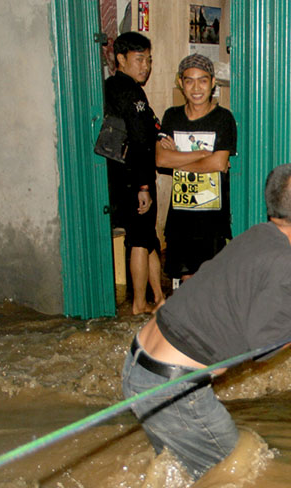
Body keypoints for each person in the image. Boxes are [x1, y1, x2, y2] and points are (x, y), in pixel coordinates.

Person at [121, 163, 291, 479]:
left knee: (182, 476)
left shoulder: (259, 236)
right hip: (173, 387)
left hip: (139, 366)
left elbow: (285, 277)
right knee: (241, 474)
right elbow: (266, 343)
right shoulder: (286, 263)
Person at [156, 54, 238, 283]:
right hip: (180, 216)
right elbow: (161, 159)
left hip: (212, 216)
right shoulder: (172, 116)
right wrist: (201, 155)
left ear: (213, 83)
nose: (196, 87)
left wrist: (178, 158)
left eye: (202, 80)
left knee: (210, 280)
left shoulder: (223, 118)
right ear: (180, 83)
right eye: (189, 80)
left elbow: (218, 163)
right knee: (186, 281)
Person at [104, 31, 164, 315]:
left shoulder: (113, 87)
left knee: (149, 237)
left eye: (148, 60)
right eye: (139, 59)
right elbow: (140, 140)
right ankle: (139, 304)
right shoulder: (128, 90)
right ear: (120, 59)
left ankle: (159, 297)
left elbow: (149, 125)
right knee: (140, 239)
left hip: (125, 175)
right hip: (134, 178)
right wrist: (143, 186)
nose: (145, 66)